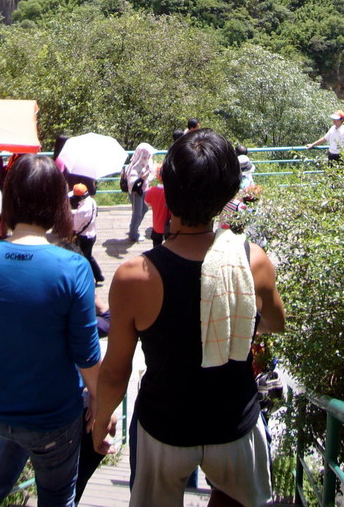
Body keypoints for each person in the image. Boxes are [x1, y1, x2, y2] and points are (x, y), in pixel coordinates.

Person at [93, 129, 285, 507]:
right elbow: (276, 322)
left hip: (164, 426)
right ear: (230, 191)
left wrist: (101, 423)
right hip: (234, 423)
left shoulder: (136, 275)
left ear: (166, 186)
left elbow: (115, 371)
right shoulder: (253, 260)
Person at [0, 154, 103, 507]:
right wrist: (102, 404)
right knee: (57, 496)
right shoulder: (73, 266)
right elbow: (86, 353)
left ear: (11, 199)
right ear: (58, 202)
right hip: (54, 415)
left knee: (15, 438)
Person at [71, 183, 104, 285]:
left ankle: (84, 281)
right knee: (88, 256)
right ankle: (98, 276)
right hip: (92, 234)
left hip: (84, 237)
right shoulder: (92, 201)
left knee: (81, 260)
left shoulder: (82, 210)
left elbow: (75, 227)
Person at [125, 142, 154, 243]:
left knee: (145, 209)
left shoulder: (145, 164)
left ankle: (134, 227)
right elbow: (132, 183)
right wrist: (143, 177)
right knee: (137, 213)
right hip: (136, 192)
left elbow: (152, 173)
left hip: (143, 190)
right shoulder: (134, 167)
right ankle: (133, 234)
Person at [144, 167, 169, 246]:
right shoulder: (172, 192)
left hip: (157, 225)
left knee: (156, 246)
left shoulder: (151, 190)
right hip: (170, 226)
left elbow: (147, 203)